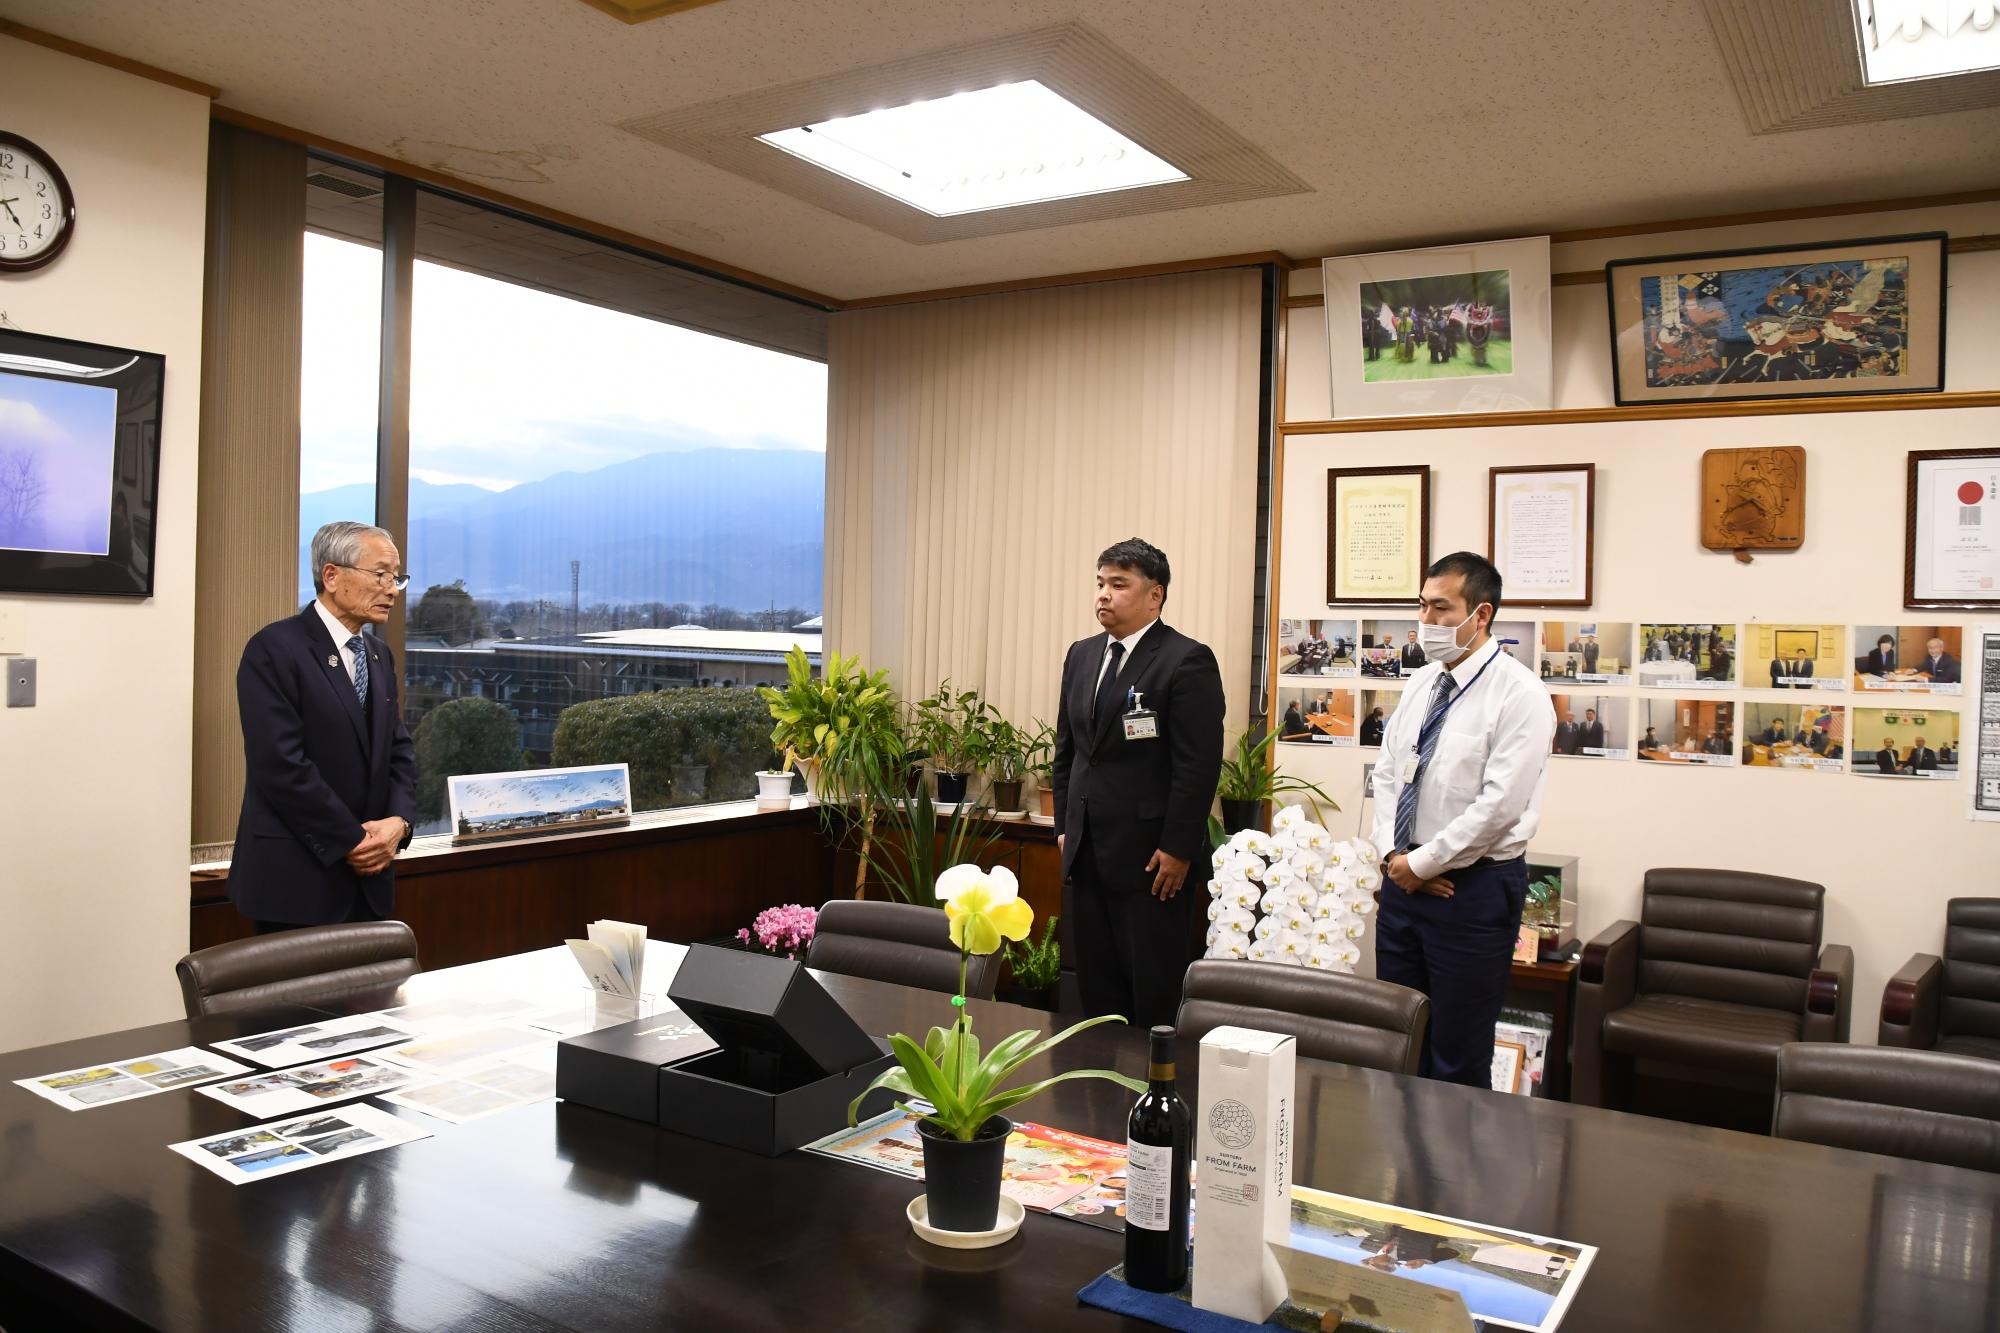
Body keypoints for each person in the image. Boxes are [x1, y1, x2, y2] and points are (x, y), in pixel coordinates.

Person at [1370, 552, 1553, 1087]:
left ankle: (1451, 1173)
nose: (1427, 621)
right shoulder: (1422, 682)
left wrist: (1423, 864)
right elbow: (1387, 775)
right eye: (1422, 606)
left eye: (1442, 608)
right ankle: (1401, 1167)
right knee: (1399, 1042)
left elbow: (1499, 808)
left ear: (1482, 614)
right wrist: (1394, 859)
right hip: (1404, 884)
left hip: (1471, 891)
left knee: (1457, 1055)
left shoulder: (1520, 695)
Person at [1053, 538, 1224, 1028]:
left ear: (1155, 596)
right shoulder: (1082, 655)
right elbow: (1068, 750)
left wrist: (1178, 847)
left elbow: (1198, 765)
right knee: (1095, 991)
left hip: (1152, 860)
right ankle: (1101, 1093)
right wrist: (1067, 824)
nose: (1103, 595)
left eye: (1119, 585)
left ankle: (1154, 1096)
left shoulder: (1185, 660)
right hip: (1087, 852)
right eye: (1101, 583)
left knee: (1151, 992)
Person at [229, 521, 417, 931]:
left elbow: (398, 751)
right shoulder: (275, 649)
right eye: (381, 574)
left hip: (371, 882)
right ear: (331, 575)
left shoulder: (380, 656)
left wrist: (399, 824)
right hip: (297, 882)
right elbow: (280, 765)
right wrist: (352, 840)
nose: (392, 589)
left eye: (397, 577)